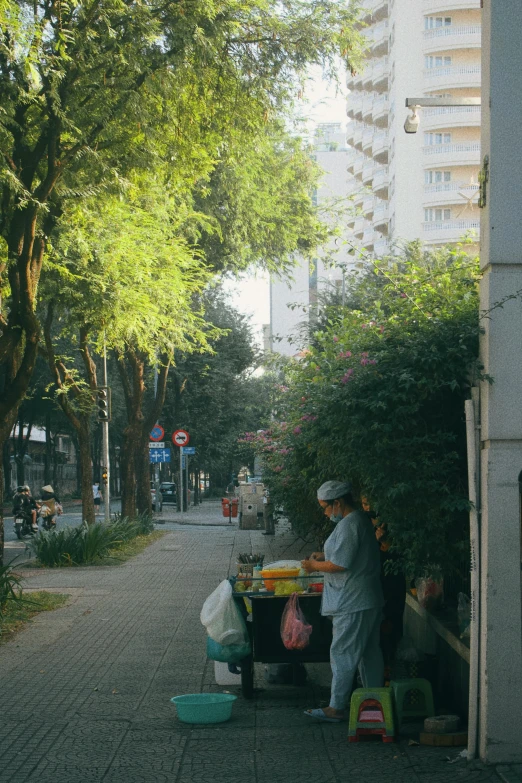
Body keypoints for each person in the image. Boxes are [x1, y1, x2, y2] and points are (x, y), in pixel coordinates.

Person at [301, 480, 384, 723]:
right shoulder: (357, 521)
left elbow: (340, 564)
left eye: (326, 507)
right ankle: (375, 701)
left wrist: (313, 565)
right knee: (369, 653)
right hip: (365, 599)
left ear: (338, 503)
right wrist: (323, 555)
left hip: (352, 601)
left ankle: (336, 707)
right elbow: (347, 554)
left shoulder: (351, 524)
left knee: (343, 652)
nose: (326, 513)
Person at [361, 495, 406, 675]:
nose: (368, 507)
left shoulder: (390, 525)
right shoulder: (365, 524)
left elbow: (396, 557)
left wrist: (383, 541)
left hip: (391, 587)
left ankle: (389, 672)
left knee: (389, 630)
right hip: (373, 586)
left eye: (370, 503)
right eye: (364, 503)